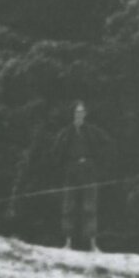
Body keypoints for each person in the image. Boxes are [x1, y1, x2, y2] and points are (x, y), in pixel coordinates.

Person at [49, 100, 112, 251]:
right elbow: (56, 152)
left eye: (82, 112)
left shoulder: (93, 131)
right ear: (72, 114)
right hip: (71, 170)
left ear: (85, 114)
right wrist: (63, 166)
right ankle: (68, 243)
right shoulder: (65, 133)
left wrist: (97, 164)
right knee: (68, 206)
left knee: (90, 206)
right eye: (77, 112)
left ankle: (93, 245)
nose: (79, 115)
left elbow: (107, 145)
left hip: (89, 170)